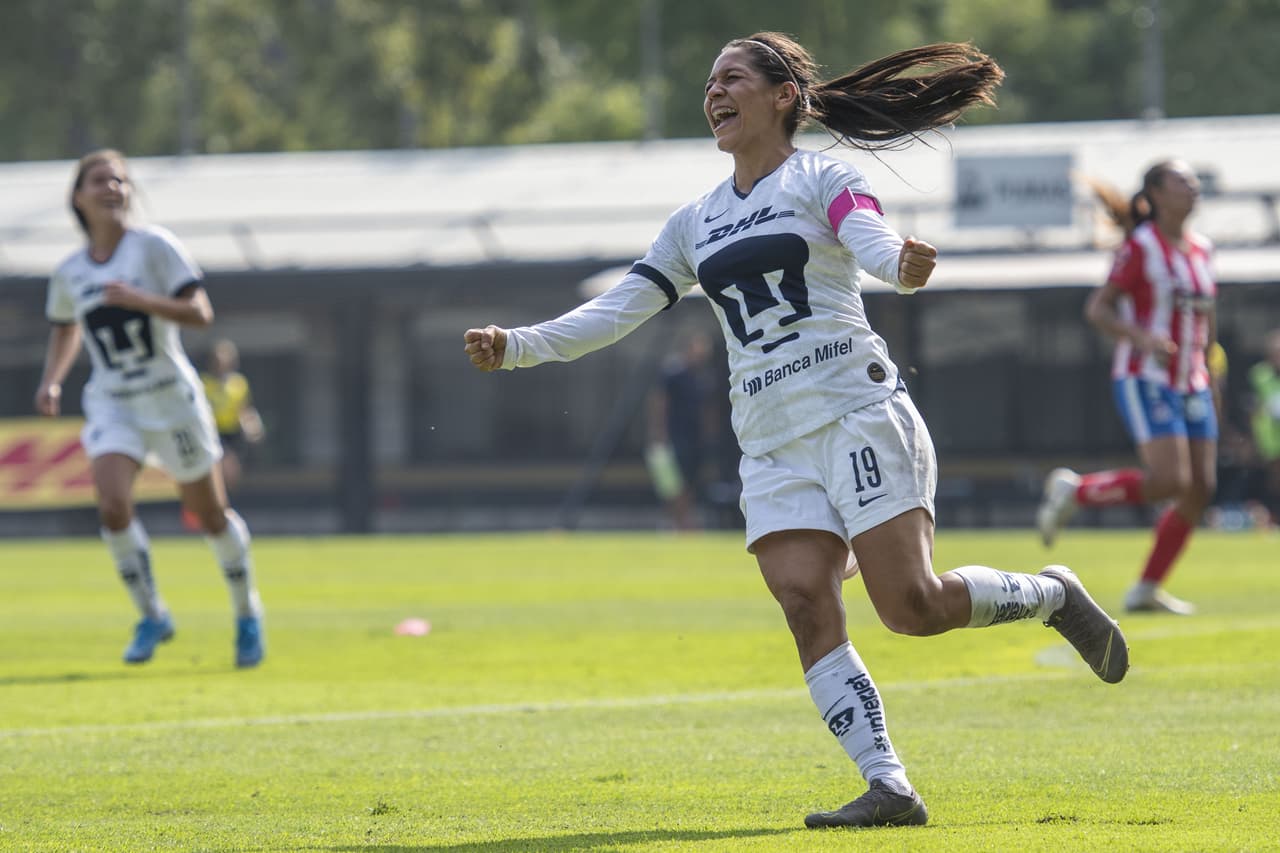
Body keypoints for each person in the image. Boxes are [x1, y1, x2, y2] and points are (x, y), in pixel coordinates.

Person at [465, 33, 1128, 830]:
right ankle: (890, 786)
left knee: (910, 606)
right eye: (709, 81)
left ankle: (1052, 593)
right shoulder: (693, 223)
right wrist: (518, 345)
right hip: (772, 443)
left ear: (782, 96)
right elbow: (617, 311)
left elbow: (871, 236)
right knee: (804, 599)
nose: (714, 91)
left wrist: (900, 267)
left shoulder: (823, 177)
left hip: (854, 411)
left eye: (732, 77)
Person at [34, 149, 265, 668]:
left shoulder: (154, 247)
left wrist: (141, 299)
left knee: (209, 515)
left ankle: (247, 613)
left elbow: (200, 313)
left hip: (171, 401)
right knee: (112, 507)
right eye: (99, 180)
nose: (112, 187)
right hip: (115, 402)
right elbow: (66, 327)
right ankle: (152, 615)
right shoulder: (69, 271)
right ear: (78, 196)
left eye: (119, 180)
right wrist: (52, 381)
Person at [1038, 160, 1217, 616]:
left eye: (1195, 183)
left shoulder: (1202, 249)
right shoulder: (1141, 247)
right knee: (1171, 481)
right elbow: (1098, 309)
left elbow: (1206, 321)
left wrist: (1211, 375)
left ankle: (1146, 589)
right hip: (1146, 376)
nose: (1193, 189)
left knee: (1200, 488)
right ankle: (1076, 492)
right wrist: (1143, 339)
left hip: (1192, 381)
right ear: (1156, 193)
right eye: (1183, 181)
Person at [645, 330, 720, 530]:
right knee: (675, 482)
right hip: (676, 436)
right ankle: (680, 522)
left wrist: (709, 433)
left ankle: (685, 520)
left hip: (695, 437)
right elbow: (660, 402)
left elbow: (707, 407)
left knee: (691, 480)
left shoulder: (704, 376)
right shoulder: (673, 372)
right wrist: (659, 432)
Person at [201, 338, 265, 495]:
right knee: (224, 466)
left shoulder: (239, 383)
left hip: (233, 433)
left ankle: (223, 502)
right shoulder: (203, 383)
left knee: (232, 475)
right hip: (212, 434)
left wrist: (253, 426)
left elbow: (245, 409)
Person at [1248, 328, 1280, 522]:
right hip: (1268, 440)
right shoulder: (1259, 375)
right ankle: (1270, 517)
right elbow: (1253, 408)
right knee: (1271, 480)